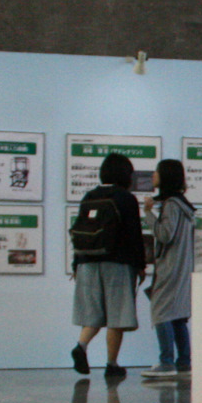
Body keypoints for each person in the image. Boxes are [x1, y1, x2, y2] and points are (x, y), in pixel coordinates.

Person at [69, 153, 149, 380]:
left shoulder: (90, 196)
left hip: (87, 263)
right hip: (117, 263)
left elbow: (81, 231)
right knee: (116, 315)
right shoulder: (125, 198)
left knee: (93, 314)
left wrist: (76, 264)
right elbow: (135, 235)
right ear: (125, 175)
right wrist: (140, 265)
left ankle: (81, 346)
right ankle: (112, 364)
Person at [140, 157, 195, 381]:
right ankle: (184, 362)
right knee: (178, 315)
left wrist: (148, 214)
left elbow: (165, 234)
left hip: (170, 267)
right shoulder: (183, 205)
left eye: (156, 172)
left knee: (161, 311)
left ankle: (166, 362)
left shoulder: (172, 205)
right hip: (182, 267)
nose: (153, 176)